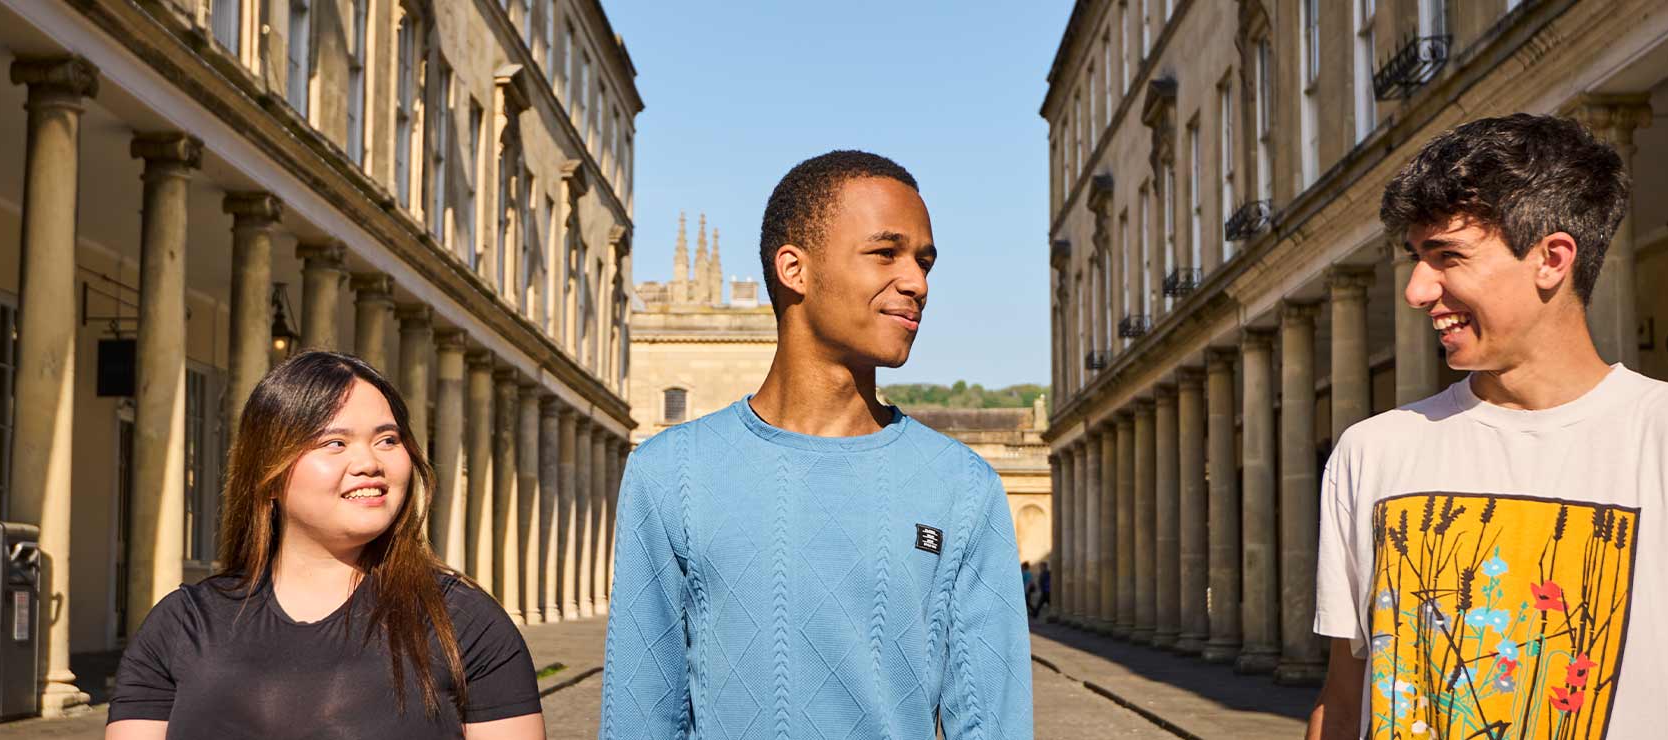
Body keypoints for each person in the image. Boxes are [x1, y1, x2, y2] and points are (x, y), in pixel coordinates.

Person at [1306, 114, 1668, 740]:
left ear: (1551, 259)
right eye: (1418, 258)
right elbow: (1342, 704)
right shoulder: (1372, 452)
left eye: (1447, 255)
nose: (1418, 290)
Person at [600, 150, 1033, 738]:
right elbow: (640, 718)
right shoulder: (668, 474)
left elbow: (993, 724)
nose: (917, 282)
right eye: (886, 252)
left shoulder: (962, 486)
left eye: (924, 261)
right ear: (794, 269)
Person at [106, 352, 545, 740]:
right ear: (269, 475)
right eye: (335, 442)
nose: (370, 463)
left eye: (387, 440)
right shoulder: (182, 625)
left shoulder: (463, 623)